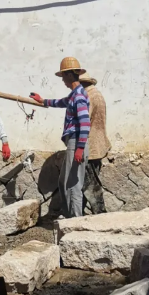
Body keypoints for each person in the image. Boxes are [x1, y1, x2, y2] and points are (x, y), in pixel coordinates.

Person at [30, 57, 90, 218]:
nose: (62, 79)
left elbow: (85, 123)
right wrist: (43, 101)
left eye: (63, 76)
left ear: (70, 75)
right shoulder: (74, 95)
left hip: (76, 141)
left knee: (73, 184)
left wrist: (80, 148)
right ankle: (70, 216)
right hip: (73, 142)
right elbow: (61, 102)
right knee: (64, 182)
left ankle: (76, 222)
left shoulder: (78, 96)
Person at [79, 74, 110, 214]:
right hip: (97, 144)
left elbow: (83, 123)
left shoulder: (87, 96)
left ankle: (100, 215)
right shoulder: (96, 94)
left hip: (89, 146)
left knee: (91, 186)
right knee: (88, 183)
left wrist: (78, 147)